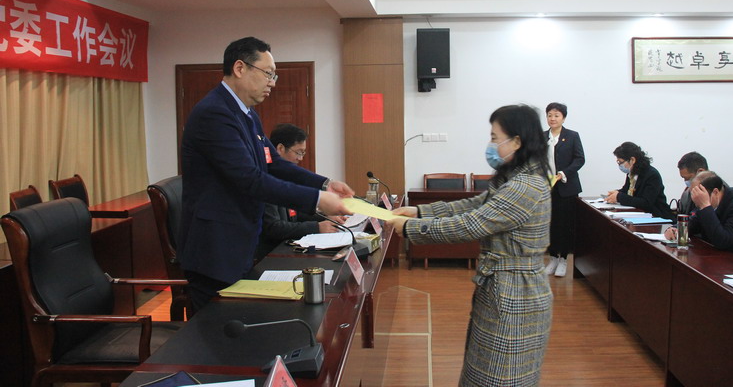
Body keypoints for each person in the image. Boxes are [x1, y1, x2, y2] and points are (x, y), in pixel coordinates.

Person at [178, 37, 353, 312]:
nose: (272, 82)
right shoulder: (214, 113)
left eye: (274, 76)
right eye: (268, 73)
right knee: (216, 329)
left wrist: (325, 184)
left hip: (240, 243)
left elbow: (273, 164)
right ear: (239, 68)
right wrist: (317, 200)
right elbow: (249, 179)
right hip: (216, 248)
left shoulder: (247, 114)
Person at [387, 104, 553, 387]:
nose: (490, 145)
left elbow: (473, 224)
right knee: (485, 372)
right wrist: (420, 212)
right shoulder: (515, 178)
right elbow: (473, 205)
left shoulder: (525, 186)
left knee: (501, 378)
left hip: (516, 294)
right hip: (504, 287)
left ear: (516, 141)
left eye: (494, 137)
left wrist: (412, 229)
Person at [255, 123, 346, 260]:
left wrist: (325, 218)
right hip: (270, 255)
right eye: (298, 152)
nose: (301, 158)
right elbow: (273, 227)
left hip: (286, 247)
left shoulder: (286, 177)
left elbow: (294, 215)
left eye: (303, 153)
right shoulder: (267, 181)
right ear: (280, 148)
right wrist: (316, 227)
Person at [543, 102, 585, 278]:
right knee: (550, 224)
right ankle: (553, 258)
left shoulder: (572, 136)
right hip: (547, 188)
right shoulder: (542, 137)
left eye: (556, 115)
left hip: (567, 187)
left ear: (563, 118)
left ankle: (563, 259)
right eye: (550, 115)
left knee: (565, 224)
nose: (552, 118)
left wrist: (562, 174)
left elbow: (580, 159)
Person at [605, 142, 672, 219]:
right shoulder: (631, 173)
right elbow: (627, 191)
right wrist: (616, 193)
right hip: (638, 214)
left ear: (632, 160)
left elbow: (646, 203)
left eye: (620, 162)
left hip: (656, 216)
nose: (619, 165)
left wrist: (619, 197)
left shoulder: (652, 175)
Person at [676, 152, 709, 216]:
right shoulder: (686, 194)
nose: (685, 181)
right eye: (684, 178)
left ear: (701, 172)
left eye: (688, 178)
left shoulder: (721, 192)